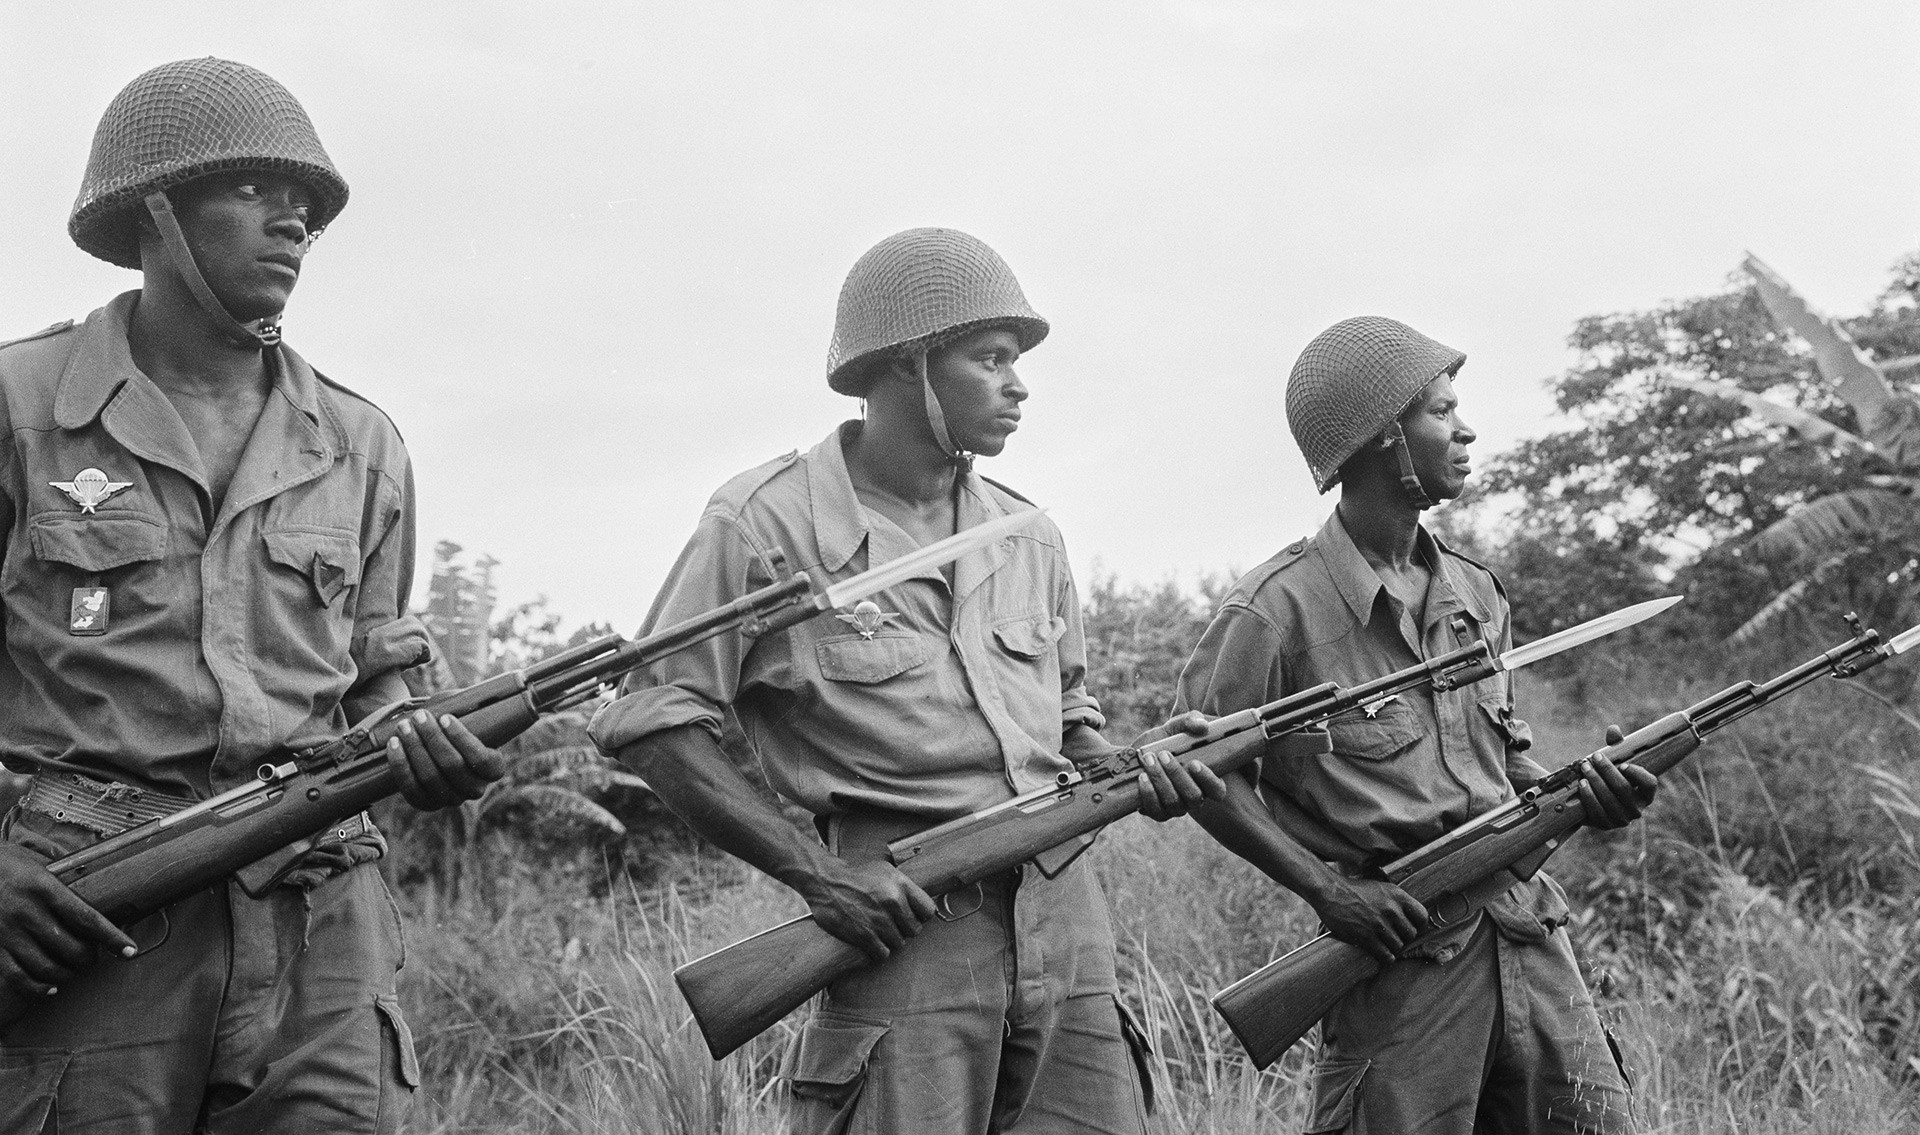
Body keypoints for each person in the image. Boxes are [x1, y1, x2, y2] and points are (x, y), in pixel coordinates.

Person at [591, 227, 1204, 1135]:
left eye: (1017, 361)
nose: (1019, 383)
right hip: (905, 923)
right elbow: (649, 717)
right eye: (989, 358)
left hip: (1066, 925)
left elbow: (1068, 716)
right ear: (911, 365)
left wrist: (1133, 768)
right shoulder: (767, 525)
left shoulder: (1026, 533)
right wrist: (819, 878)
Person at [0, 57, 503, 1133]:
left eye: (307, 208)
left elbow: (375, 674)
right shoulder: (19, 406)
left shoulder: (361, 444)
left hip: (320, 917)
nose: (292, 225)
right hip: (85, 905)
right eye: (252, 192)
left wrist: (422, 739)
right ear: (155, 212)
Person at [1170, 316, 1656, 1134]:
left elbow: (1496, 766)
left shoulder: (1475, 593)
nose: (1466, 429)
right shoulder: (1275, 610)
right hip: (1404, 960)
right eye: (1440, 410)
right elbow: (1202, 772)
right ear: (1382, 438)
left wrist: (1584, 795)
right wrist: (1329, 892)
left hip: (1531, 939)